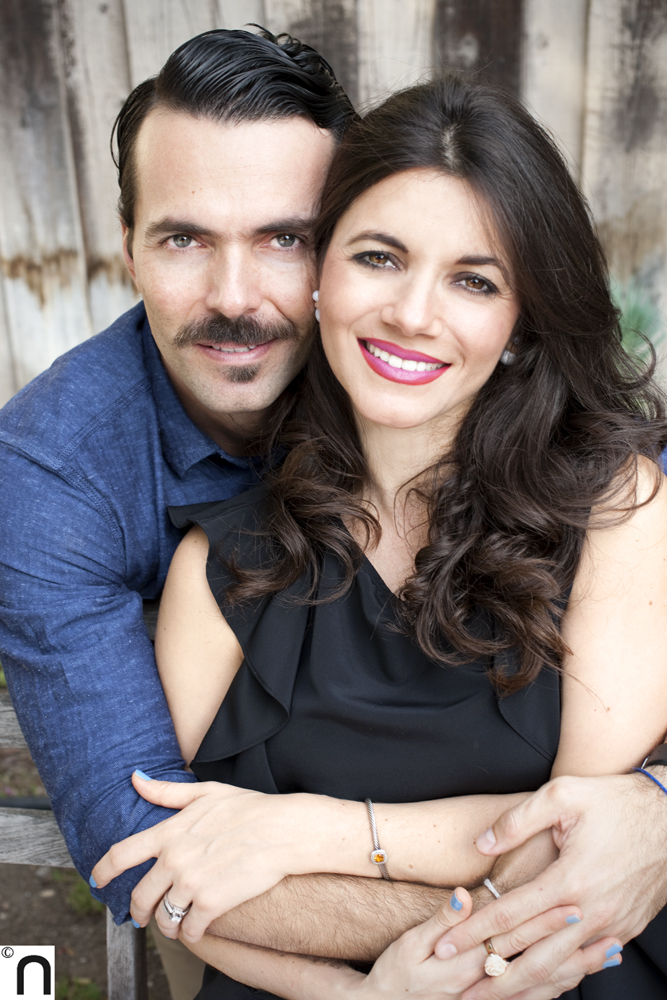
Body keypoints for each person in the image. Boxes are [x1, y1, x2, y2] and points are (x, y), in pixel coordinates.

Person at [92, 75, 667, 999]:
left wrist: (309, 831)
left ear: (520, 324)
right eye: (378, 258)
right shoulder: (218, 572)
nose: (411, 314)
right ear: (318, 278)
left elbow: (568, 846)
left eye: (474, 280)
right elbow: (188, 889)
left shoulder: (614, 510)